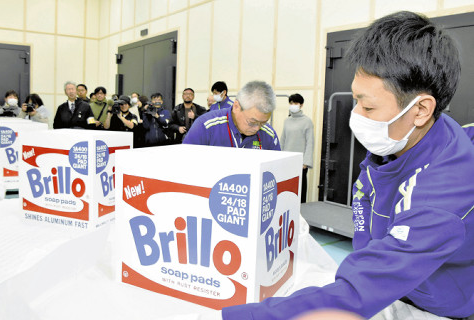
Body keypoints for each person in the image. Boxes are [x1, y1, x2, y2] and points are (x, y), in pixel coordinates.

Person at [221, 11, 474, 320]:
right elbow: (365, 202)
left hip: (434, 306)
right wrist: (363, 258)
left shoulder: (442, 197)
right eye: (356, 101)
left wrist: (234, 317)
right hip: (390, 283)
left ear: (421, 110)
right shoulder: (399, 143)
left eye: (367, 106)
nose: (356, 115)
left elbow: (356, 294)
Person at [183, 80, 280, 150]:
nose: (257, 128)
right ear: (237, 107)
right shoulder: (206, 126)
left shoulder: (269, 134)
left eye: (262, 123)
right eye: (252, 122)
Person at [280, 93, 314, 203]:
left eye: (295, 103)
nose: (293, 105)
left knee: (300, 190)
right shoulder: (287, 121)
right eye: (291, 103)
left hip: (301, 163)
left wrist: (306, 162)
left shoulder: (307, 121)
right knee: (287, 189)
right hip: (286, 160)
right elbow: (283, 140)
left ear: (301, 105)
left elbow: (310, 143)